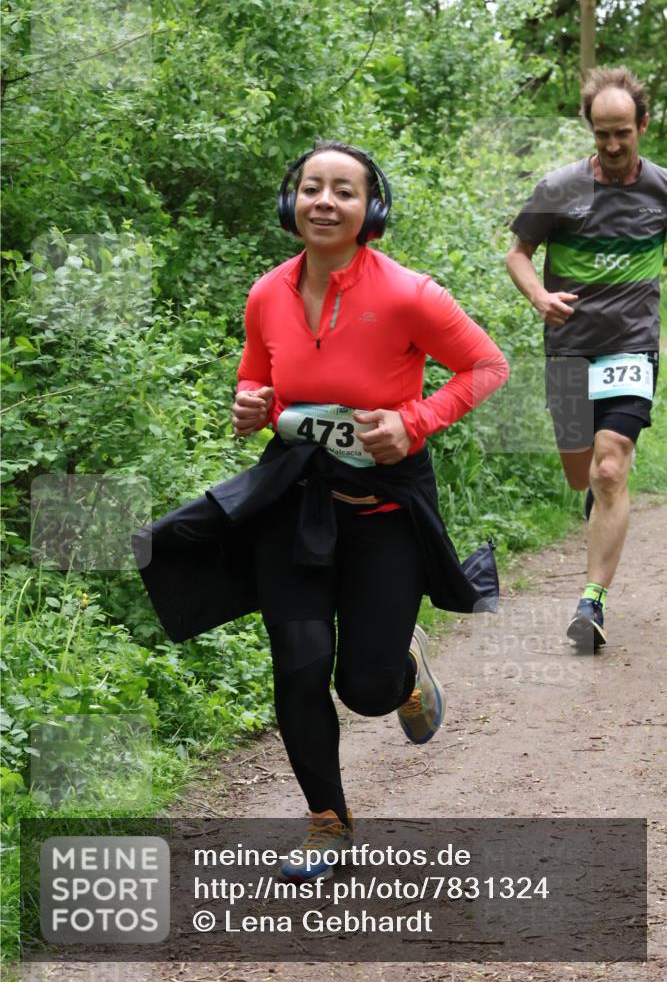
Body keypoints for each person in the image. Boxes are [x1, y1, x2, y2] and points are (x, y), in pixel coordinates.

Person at [228, 139, 509, 881]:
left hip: (383, 511)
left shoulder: (409, 293)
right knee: (298, 663)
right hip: (294, 503)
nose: (324, 201)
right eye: (311, 188)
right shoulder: (265, 294)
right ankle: (328, 821)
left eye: (343, 191)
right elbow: (257, 384)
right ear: (291, 203)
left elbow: (486, 367)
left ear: (369, 210)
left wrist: (413, 421)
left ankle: (404, 671)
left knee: (364, 688)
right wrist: (251, 407)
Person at [506, 67, 666, 651]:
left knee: (609, 468)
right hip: (570, 348)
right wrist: (538, 296)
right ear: (590, 131)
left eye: (624, 132)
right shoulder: (558, 188)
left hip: (630, 345)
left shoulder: (662, 190)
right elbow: (518, 253)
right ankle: (594, 500)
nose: (615, 145)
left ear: (643, 125)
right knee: (582, 473)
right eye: (603, 134)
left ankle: (590, 602)